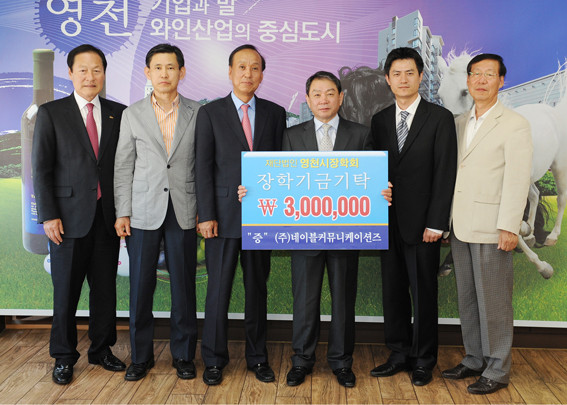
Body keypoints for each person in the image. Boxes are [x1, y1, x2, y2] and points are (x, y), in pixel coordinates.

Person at [238, 71, 391, 388]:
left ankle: (341, 362)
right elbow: (279, 181)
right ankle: (302, 361)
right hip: (304, 234)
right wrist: (252, 191)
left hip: (345, 235)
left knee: (343, 302)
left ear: (341, 97)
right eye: (317, 94)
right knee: (304, 301)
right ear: (307, 100)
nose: (324, 99)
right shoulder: (292, 135)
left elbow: (370, 179)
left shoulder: (361, 135)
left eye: (330, 93)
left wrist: (382, 191)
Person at [32, 44, 127, 385]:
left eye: (97, 70)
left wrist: (123, 211)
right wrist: (48, 216)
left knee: (104, 291)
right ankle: (63, 356)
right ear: (70, 73)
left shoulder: (119, 113)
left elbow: (123, 166)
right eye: (83, 70)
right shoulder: (52, 113)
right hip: (66, 220)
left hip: (107, 218)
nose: (90, 76)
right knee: (65, 293)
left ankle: (101, 349)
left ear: (104, 74)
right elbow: (41, 168)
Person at [195, 44, 286, 386]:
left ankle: (258, 358)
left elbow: (282, 165)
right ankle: (214, 359)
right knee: (218, 291)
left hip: (262, 217)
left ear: (262, 74)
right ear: (230, 72)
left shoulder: (276, 113)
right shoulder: (210, 112)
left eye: (255, 68)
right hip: (221, 218)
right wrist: (206, 214)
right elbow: (202, 166)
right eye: (242, 67)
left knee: (256, 291)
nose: (248, 73)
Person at [441, 53, 532, 395]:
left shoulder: (515, 123)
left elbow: (518, 179)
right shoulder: (459, 122)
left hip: (494, 226)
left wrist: (510, 226)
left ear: (501, 80)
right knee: (467, 298)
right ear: (467, 81)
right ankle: (474, 358)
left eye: (489, 74)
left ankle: (498, 368)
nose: (481, 80)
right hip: (460, 224)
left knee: (494, 300)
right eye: (475, 74)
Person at [369, 47, 457, 386]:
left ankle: (423, 359)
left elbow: (445, 171)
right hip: (387, 222)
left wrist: (437, 222)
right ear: (387, 79)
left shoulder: (440, 118)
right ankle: (398, 353)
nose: (403, 79)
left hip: (424, 226)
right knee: (392, 291)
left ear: (421, 76)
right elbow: (372, 169)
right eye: (396, 74)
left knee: (423, 293)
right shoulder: (379, 120)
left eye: (410, 73)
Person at [114, 44, 201, 381]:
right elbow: (123, 166)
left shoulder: (198, 112)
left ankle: (184, 356)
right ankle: (140, 357)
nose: (165, 74)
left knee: (184, 287)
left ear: (182, 72)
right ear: (147, 72)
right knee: (140, 287)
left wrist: (203, 209)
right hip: (142, 211)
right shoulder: (132, 114)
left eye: (171, 67)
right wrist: (123, 212)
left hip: (184, 209)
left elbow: (203, 164)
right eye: (158, 68)